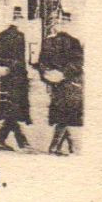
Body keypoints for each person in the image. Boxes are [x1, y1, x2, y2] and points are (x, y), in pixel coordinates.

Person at [38, 11, 84, 156]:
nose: (58, 25)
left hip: (57, 83)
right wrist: (61, 74)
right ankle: (56, 147)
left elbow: (42, 63)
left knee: (63, 114)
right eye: (58, 22)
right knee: (65, 115)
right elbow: (78, 63)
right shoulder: (74, 42)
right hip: (70, 83)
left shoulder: (49, 41)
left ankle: (70, 147)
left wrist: (48, 76)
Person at [0, 13, 33, 151]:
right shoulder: (19, 36)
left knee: (11, 109)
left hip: (7, 77)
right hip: (16, 77)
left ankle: (8, 140)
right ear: (19, 22)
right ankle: (12, 141)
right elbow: (19, 60)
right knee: (13, 110)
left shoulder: (2, 35)